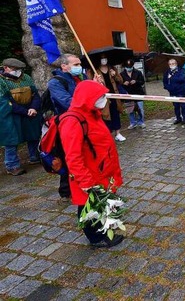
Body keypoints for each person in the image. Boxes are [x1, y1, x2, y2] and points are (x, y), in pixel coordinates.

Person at [59, 80, 124, 248]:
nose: (104, 99)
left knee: (100, 203)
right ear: (87, 98)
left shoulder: (92, 113)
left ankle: (104, 229)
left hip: (101, 171)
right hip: (89, 175)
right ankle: (95, 238)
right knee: (88, 206)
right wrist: (85, 181)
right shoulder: (73, 120)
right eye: (99, 96)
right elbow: (72, 156)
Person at [48, 53, 86, 200]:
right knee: (68, 157)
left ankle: (82, 183)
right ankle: (66, 191)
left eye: (79, 64)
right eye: (75, 65)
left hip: (82, 123)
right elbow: (68, 102)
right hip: (66, 125)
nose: (79, 67)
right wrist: (87, 100)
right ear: (64, 66)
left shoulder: (80, 79)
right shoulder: (56, 83)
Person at [0, 58, 42, 176]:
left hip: (29, 110)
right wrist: (24, 111)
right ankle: (12, 165)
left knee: (33, 134)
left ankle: (35, 156)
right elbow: (4, 101)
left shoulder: (26, 78)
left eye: (19, 69)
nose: (18, 71)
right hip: (11, 113)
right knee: (12, 139)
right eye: (15, 69)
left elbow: (35, 95)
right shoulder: (1, 82)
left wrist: (33, 108)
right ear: (6, 68)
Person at [92, 55, 126, 142]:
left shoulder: (112, 68)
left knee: (115, 114)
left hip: (114, 95)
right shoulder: (94, 71)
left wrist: (115, 75)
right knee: (106, 115)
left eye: (105, 58)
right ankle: (108, 134)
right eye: (102, 58)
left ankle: (118, 133)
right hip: (103, 97)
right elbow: (91, 84)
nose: (104, 60)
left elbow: (121, 81)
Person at [120, 59, 146, 129]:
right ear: (125, 66)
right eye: (127, 66)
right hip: (128, 94)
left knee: (140, 109)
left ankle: (141, 122)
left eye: (130, 66)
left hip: (138, 93)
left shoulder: (138, 72)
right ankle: (133, 122)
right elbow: (119, 84)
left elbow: (142, 81)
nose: (129, 68)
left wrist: (136, 81)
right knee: (130, 109)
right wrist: (123, 83)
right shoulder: (121, 74)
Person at [163, 58, 185, 124]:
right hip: (172, 92)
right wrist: (168, 87)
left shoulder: (182, 70)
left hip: (182, 92)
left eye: (173, 63)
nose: (172, 65)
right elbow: (165, 81)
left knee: (183, 106)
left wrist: (172, 77)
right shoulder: (167, 72)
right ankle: (178, 118)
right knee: (176, 106)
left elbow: (182, 79)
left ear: (176, 64)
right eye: (170, 64)